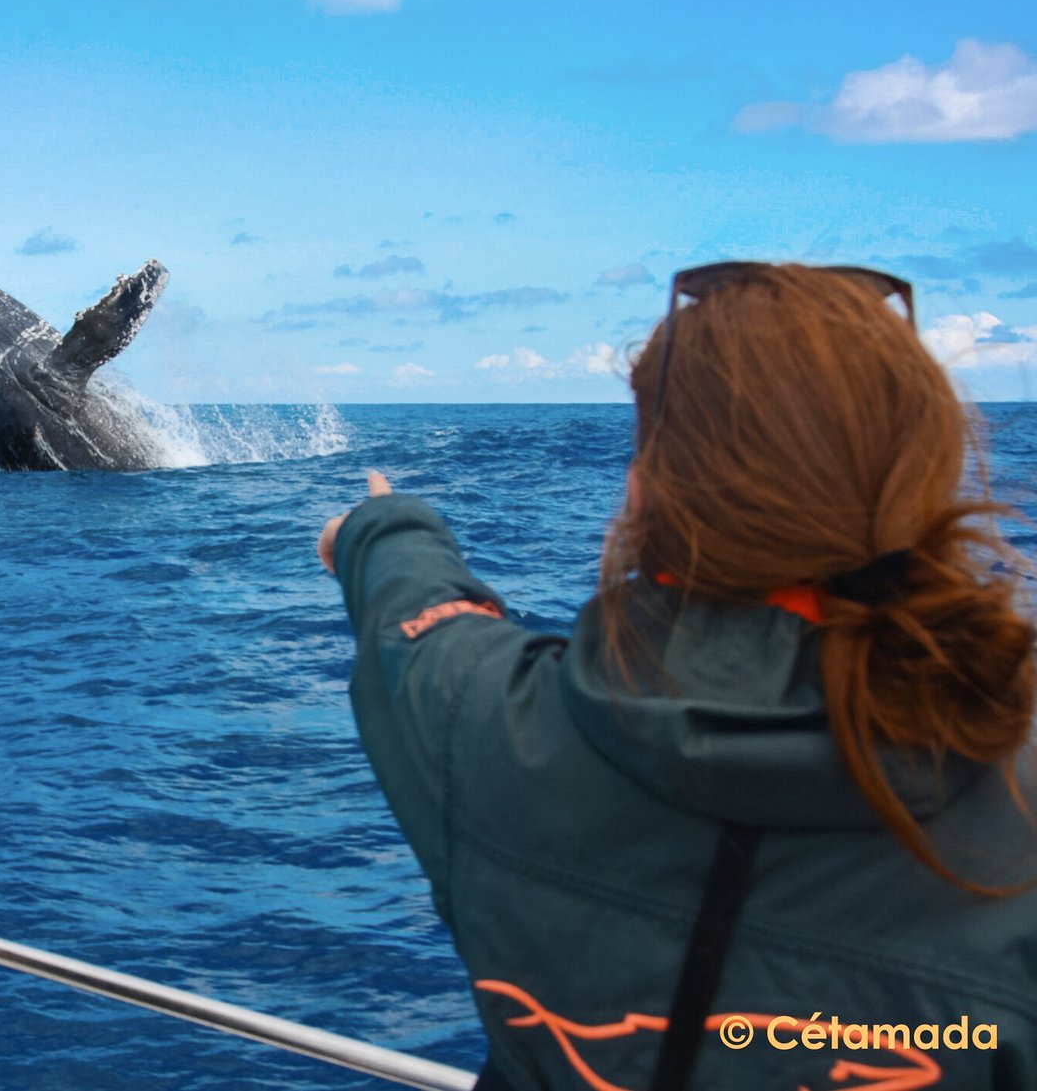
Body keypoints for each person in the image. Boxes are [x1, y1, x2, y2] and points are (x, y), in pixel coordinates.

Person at [318, 263, 1037, 1091]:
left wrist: (378, 524)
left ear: (640, 493)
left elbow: (416, 623)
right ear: (919, 492)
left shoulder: (491, 732)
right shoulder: (1011, 803)